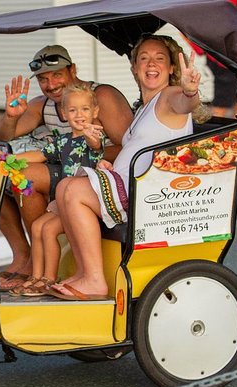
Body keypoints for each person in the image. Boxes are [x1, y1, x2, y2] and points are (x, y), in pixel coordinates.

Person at [50, 35, 203, 300]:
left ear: (170, 69)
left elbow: (185, 102)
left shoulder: (169, 96)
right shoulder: (145, 106)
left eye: (159, 59)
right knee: (65, 187)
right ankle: (85, 272)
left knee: (73, 191)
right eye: (144, 58)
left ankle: (95, 280)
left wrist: (190, 91)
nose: (151, 64)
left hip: (148, 194)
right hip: (131, 185)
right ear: (134, 68)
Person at [0, 45, 134, 290]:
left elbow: (129, 145)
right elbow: (5, 135)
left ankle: (45, 269)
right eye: (43, 79)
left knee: (25, 177)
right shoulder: (42, 105)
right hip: (64, 168)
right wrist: (11, 117)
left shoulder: (100, 96)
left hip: (96, 172)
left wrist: (91, 150)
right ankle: (26, 258)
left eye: (57, 74)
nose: (51, 84)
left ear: (72, 69)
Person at [7, 84, 104, 297]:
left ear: (95, 112)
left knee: (49, 230)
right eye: (73, 110)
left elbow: (95, 144)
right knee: (38, 227)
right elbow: (40, 155)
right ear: (63, 113)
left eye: (85, 109)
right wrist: (9, 160)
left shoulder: (94, 135)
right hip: (62, 203)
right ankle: (37, 276)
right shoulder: (63, 141)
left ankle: (49, 279)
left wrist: (89, 134)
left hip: (82, 205)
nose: (79, 115)